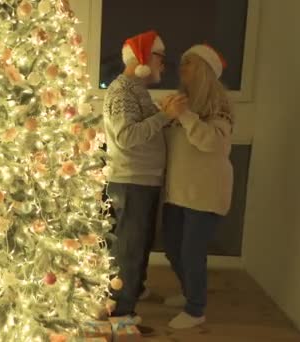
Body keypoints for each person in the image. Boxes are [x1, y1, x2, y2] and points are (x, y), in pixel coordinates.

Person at [103, 30, 186, 322]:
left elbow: (142, 128)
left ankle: (133, 290)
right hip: (131, 182)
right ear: (143, 58)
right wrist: (165, 116)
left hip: (142, 181)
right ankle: (122, 311)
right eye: (160, 57)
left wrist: (162, 114)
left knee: (138, 243)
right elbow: (126, 136)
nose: (163, 64)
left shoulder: (136, 90)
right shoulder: (123, 91)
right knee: (129, 248)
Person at [160, 44, 233, 329]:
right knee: (172, 248)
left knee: (192, 252)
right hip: (178, 191)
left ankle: (196, 307)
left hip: (204, 194)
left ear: (203, 70)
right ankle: (189, 291)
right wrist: (166, 115)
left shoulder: (219, 109)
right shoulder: (183, 101)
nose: (181, 68)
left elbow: (212, 144)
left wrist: (184, 116)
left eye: (188, 63)